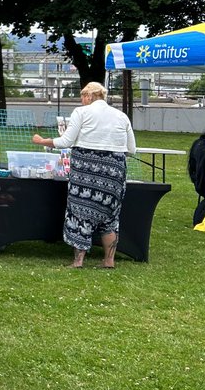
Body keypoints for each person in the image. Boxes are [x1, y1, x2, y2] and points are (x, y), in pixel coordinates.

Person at [32, 81, 136, 269]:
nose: (81, 100)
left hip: (85, 170)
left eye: (82, 96)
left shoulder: (81, 112)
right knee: (110, 216)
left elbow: (66, 141)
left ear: (89, 96)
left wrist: (42, 141)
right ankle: (109, 260)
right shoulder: (122, 116)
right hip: (114, 171)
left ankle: (78, 261)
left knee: (80, 213)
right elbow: (131, 149)